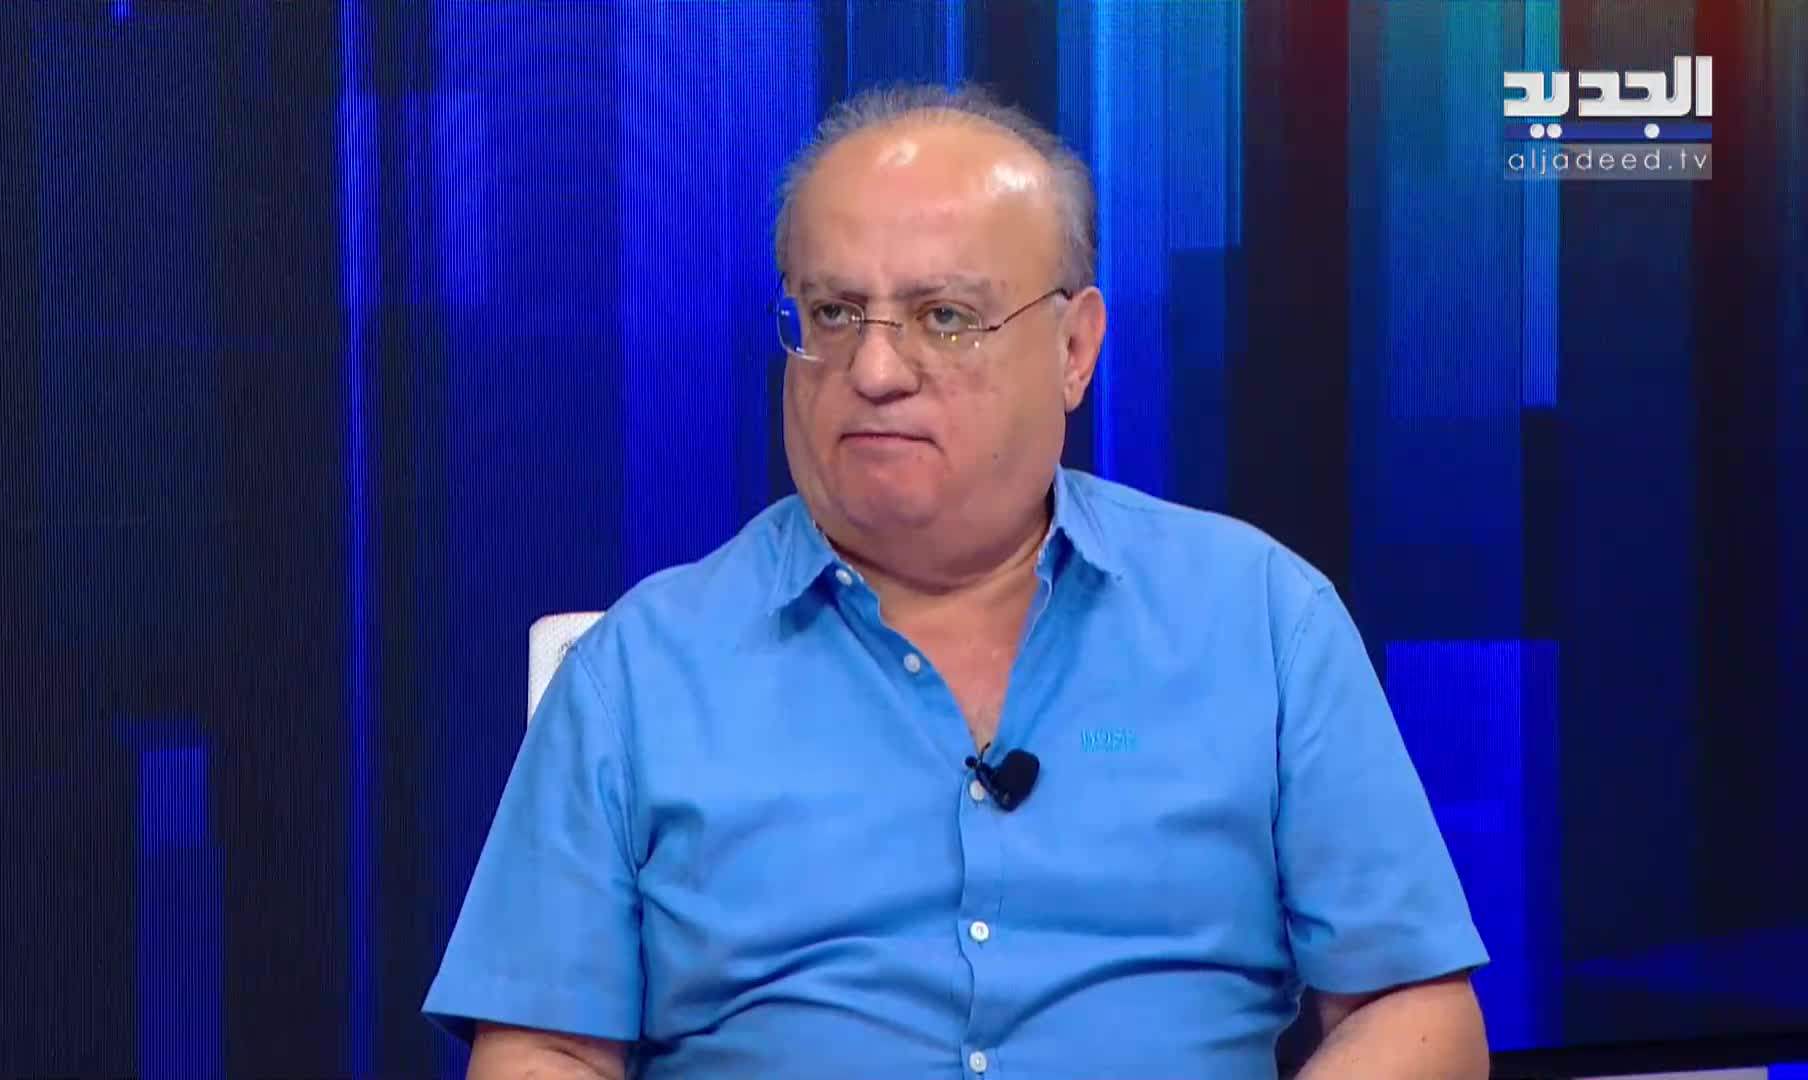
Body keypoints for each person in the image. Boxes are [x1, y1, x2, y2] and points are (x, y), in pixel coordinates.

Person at [424, 84, 1489, 1079]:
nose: (875, 370)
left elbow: (1415, 1010)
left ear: (1075, 348)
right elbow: (542, 1051)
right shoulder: (639, 672)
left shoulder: (1261, 618)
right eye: (833, 314)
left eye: (943, 317)